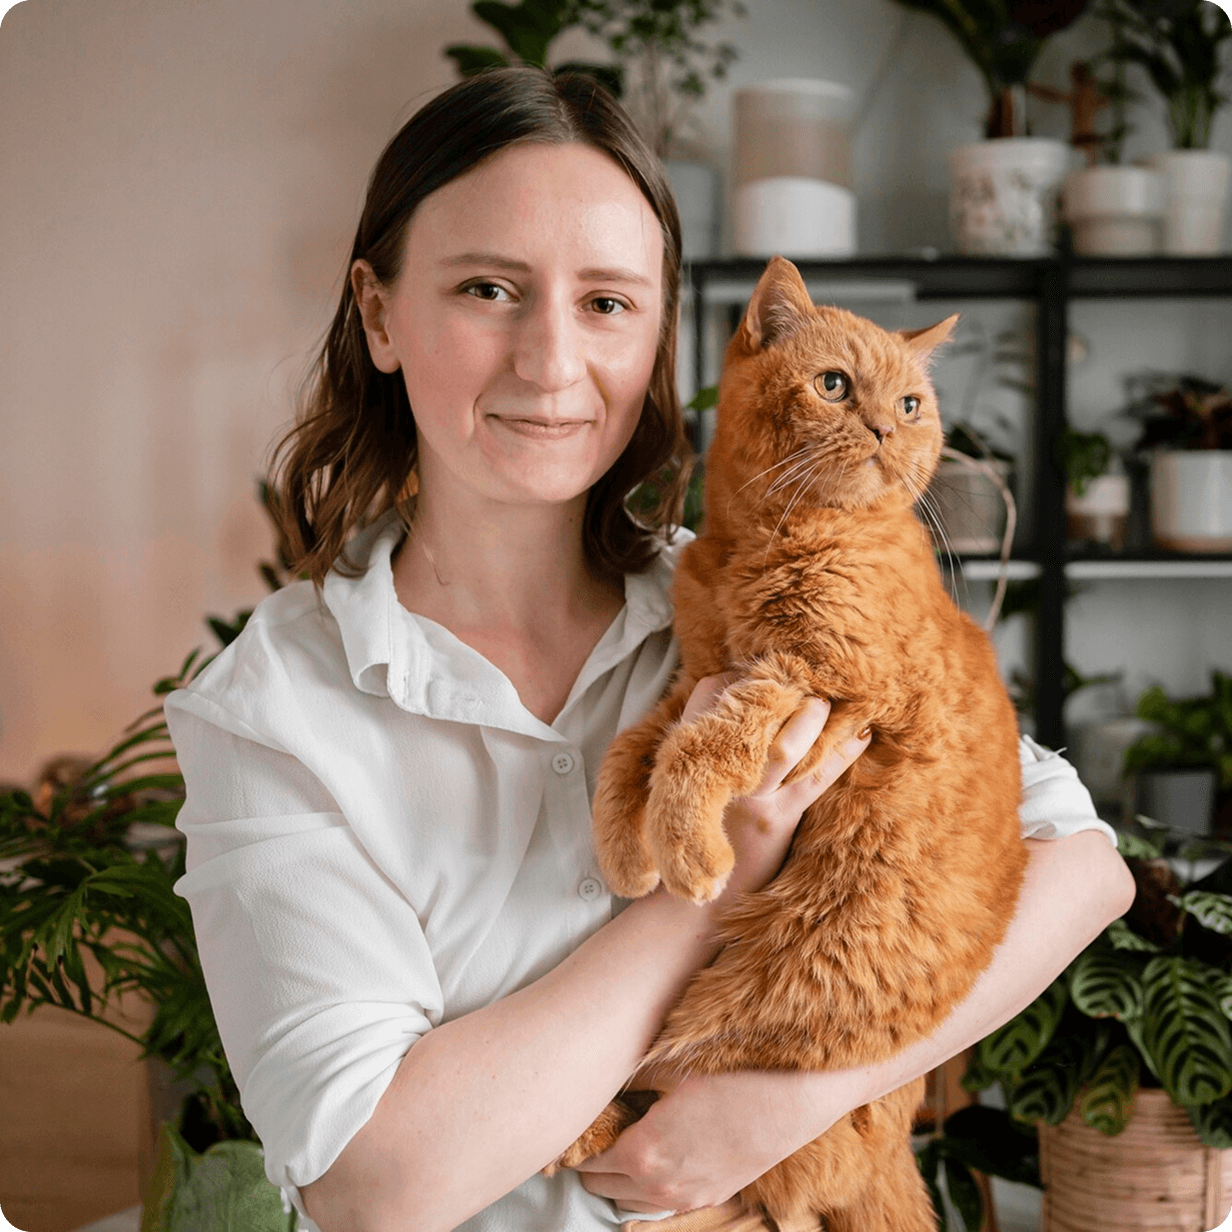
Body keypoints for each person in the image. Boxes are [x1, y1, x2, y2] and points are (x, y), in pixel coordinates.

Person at [165, 67, 1135, 1232]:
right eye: (487, 288)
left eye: (607, 303)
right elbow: (375, 1183)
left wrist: (788, 1102)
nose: (549, 361)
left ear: (660, 334)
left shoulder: (746, 598)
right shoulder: (273, 710)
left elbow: (1083, 864)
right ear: (379, 314)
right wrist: (708, 883)